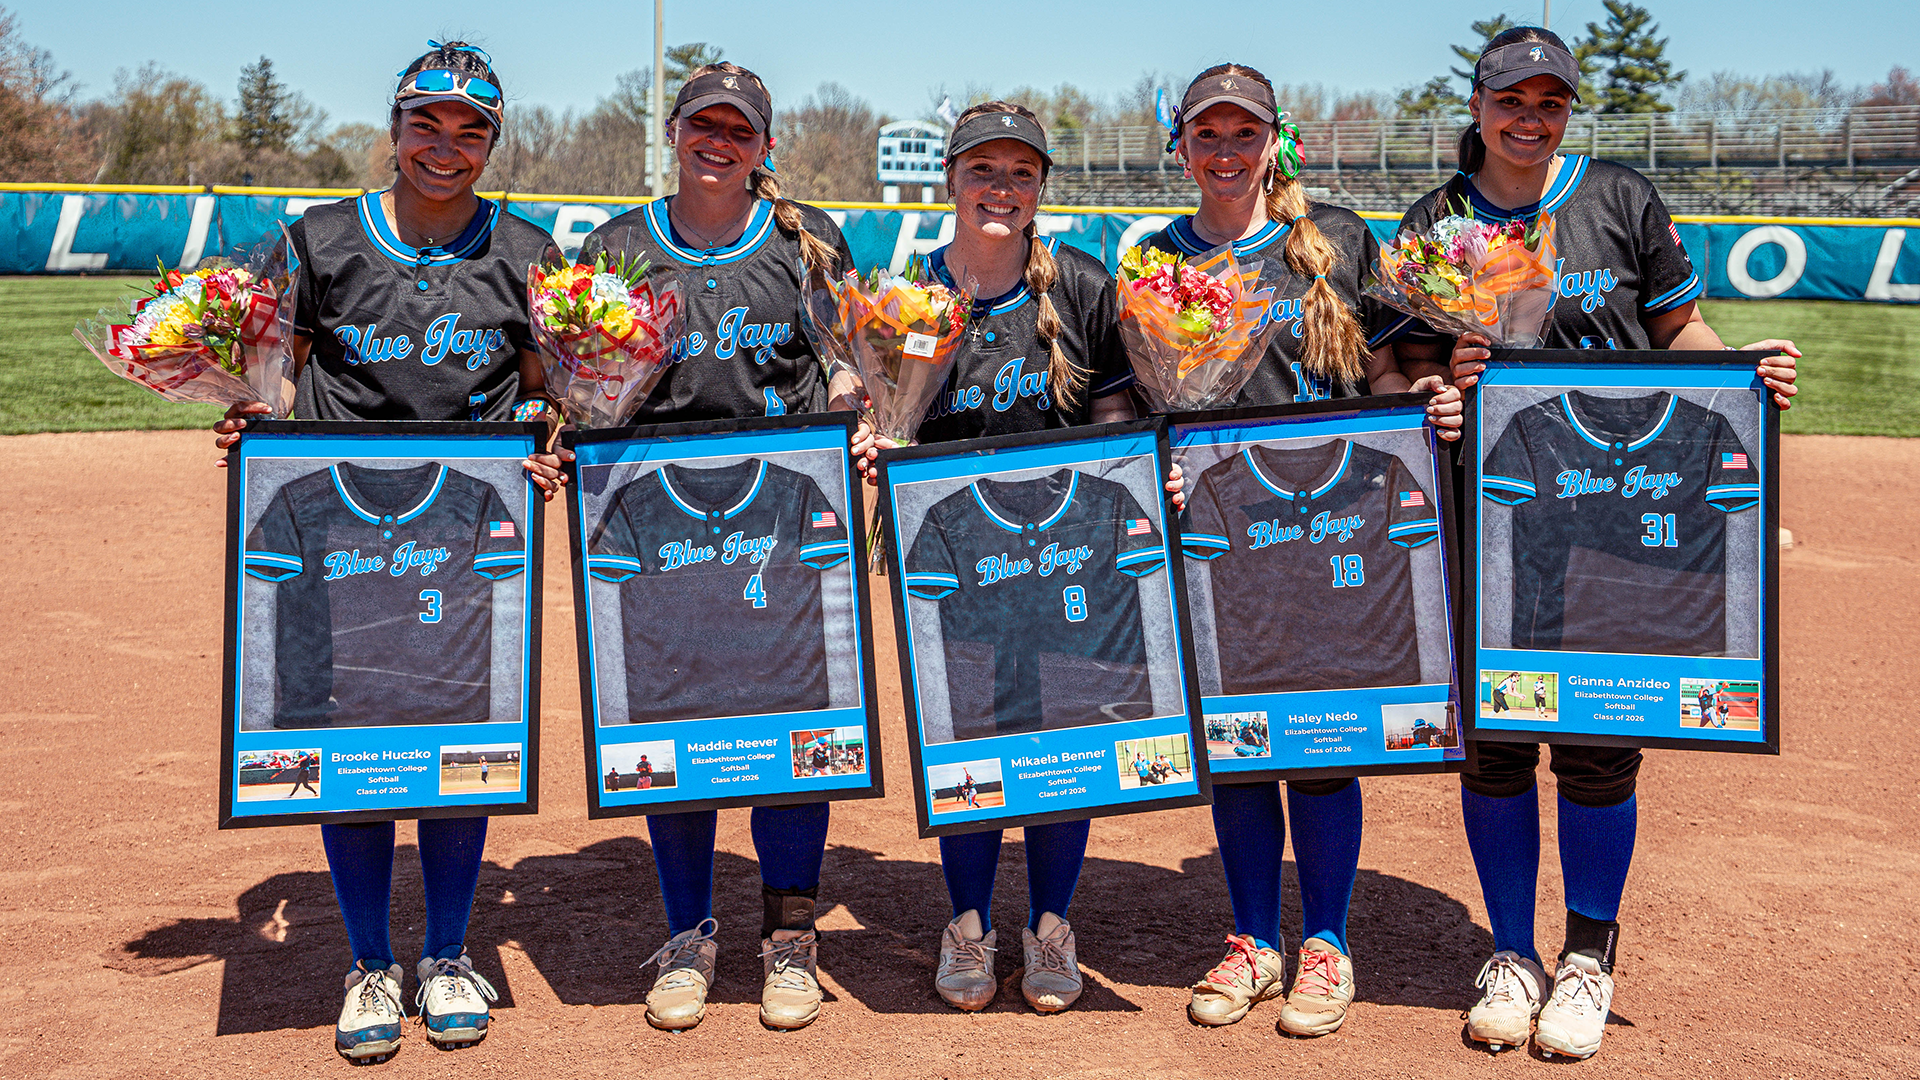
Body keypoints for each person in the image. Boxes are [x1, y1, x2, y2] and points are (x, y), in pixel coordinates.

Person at [1392, 26, 1800, 1061]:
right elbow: (1401, 371)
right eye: (1510, 100)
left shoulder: (1617, 197)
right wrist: (1437, 391)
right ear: (1477, 104)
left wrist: (1748, 382)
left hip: (1607, 514)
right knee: (1491, 747)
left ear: (1568, 111)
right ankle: (1512, 955)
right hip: (1486, 514)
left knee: (1595, 743)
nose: (1530, 119)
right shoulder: (1436, 219)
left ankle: (1586, 958)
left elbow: (1680, 337)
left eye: (1550, 102)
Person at [212, 41, 568, 1064]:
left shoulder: (529, 253)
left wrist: (553, 438)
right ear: (397, 126)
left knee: (463, 736)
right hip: (335, 536)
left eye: (470, 131)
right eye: (428, 124)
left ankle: (448, 951)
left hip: (464, 539)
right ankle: (370, 961)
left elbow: (554, 386)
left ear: (492, 142)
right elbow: (271, 370)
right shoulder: (320, 241)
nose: (445, 148)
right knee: (349, 742)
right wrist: (248, 413)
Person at [1143, 64, 1446, 1038]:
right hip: (1219, 538)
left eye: (1245, 133)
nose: (1226, 151)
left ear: (1277, 141)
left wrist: (1424, 404)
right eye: (1207, 134)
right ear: (1181, 146)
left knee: (1318, 746)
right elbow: (1135, 402)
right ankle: (1249, 940)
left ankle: (1325, 942)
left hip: (1330, 532)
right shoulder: (1157, 257)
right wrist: (1157, 463)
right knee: (1234, 749)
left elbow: (1397, 367)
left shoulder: (1342, 242)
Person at [851, 101, 1147, 1015]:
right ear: (950, 178)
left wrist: (1135, 471)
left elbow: (1116, 416)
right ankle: (970, 923)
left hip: (1067, 563)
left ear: (1041, 190)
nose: (1001, 188)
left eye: (1021, 173)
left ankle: (1051, 924)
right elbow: (881, 409)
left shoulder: (1084, 289)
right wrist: (874, 436)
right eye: (983, 170)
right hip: (954, 560)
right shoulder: (907, 298)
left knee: (1066, 735)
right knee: (965, 735)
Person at [579, 62, 856, 1034]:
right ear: (674, 131)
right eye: (705, 124)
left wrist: (863, 423)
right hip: (661, 533)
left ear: (765, 146)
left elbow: (851, 375)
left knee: (793, 737)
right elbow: (580, 392)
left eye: (741, 129)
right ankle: (690, 934)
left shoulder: (808, 241)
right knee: (677, 728)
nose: (720, 141)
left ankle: (789, 939)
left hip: (781, 530)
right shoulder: (615, 247)